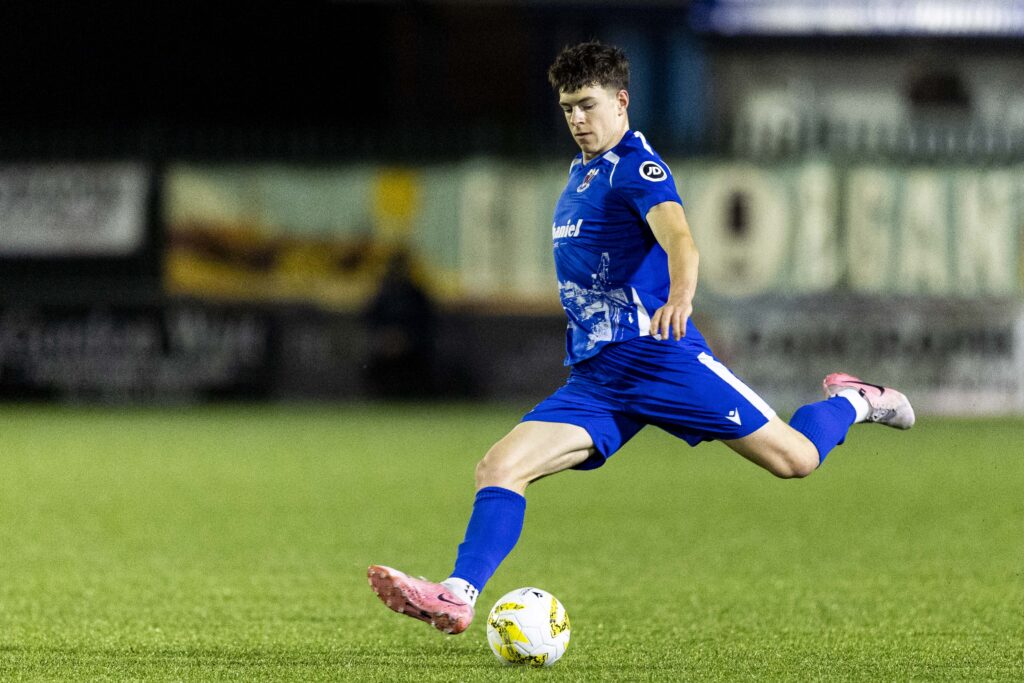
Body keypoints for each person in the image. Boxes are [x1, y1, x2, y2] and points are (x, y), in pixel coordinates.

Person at [367, 41, 914, 635]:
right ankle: (457, 594)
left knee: (796, 459)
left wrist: (680, 296)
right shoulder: (582, 170)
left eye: (587, 104)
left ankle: (854, 400)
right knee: (498, 467)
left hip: (660, 359)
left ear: (621, 101)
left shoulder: (636, 167)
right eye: (567, 108)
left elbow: (681, 239)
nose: (577, 119)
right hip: (599, 378)